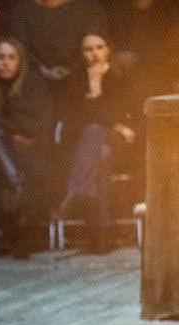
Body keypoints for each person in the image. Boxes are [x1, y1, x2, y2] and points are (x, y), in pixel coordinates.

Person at [0, 37, 53, 258]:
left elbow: (35, 125)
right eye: (0, 57)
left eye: (11, 57)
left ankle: (16, 194)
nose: (5, 63)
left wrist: (5, 126)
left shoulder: (33, 84)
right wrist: (10, 131)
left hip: (31, 149)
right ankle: (16, 187)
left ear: (20, 61)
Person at [60, 32, 136, 254]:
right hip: (85, 145)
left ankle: (76, 193)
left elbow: (122, 113)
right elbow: (74, 120)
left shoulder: (120, 77)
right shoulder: (74, 80)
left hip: (119, 144)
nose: (94, 53)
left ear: (108, 50)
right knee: (99, 152)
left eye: (99, 47)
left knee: (95, 133)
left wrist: (96, 94)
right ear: (81, 53)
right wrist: (94, 91)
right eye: (88, 49)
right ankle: (101, 235)